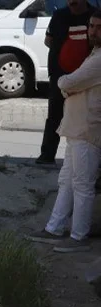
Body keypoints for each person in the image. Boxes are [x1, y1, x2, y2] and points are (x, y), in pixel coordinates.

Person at [33, 10, 101, 253]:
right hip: (77, 128)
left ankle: (78, 236)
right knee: (67, 182)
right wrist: (68, 86)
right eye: (91, 26)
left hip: (88, 130)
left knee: (82, 185)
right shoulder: (93, 54)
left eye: (98, 27)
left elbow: (69, 82)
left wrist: (64, 85)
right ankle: (55, 228)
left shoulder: (98, 59)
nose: (93, 31)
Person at [39, 0, 95, 165]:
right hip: (60, 75)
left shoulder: (94, 16)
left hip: (86, 77)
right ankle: (47, 155)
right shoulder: (59, 15)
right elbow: (48, 40)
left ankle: (87, 159)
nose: (72, 2)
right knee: (54, 116)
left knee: (87, 117)